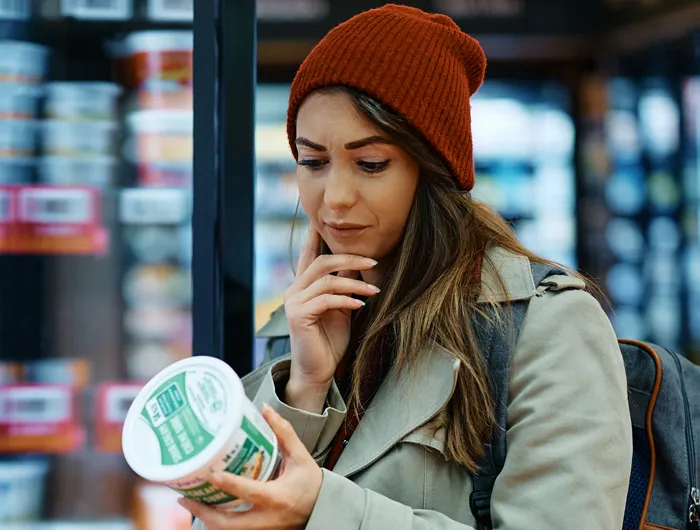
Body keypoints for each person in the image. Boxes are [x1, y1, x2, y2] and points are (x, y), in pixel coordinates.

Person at [184, 4, 633, 529]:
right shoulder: (304, 325)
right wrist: (304, 386)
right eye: (312, 162)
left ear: (434, 169)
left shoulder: (545, 327)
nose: (334, 198)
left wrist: (320, 508)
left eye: (371, 164)